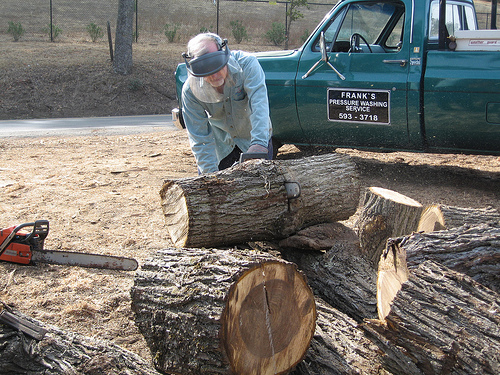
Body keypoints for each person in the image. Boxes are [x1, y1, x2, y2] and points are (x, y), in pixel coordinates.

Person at [180, 33, 273, 174]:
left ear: (224, 54)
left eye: (217, 67)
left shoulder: (247, 65)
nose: (214, 75)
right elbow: (199, 137)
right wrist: (209, 176)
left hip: (253, 139)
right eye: (207, 71)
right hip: (221, 148)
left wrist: (259, 143)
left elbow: (259, 105)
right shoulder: (190, 91)